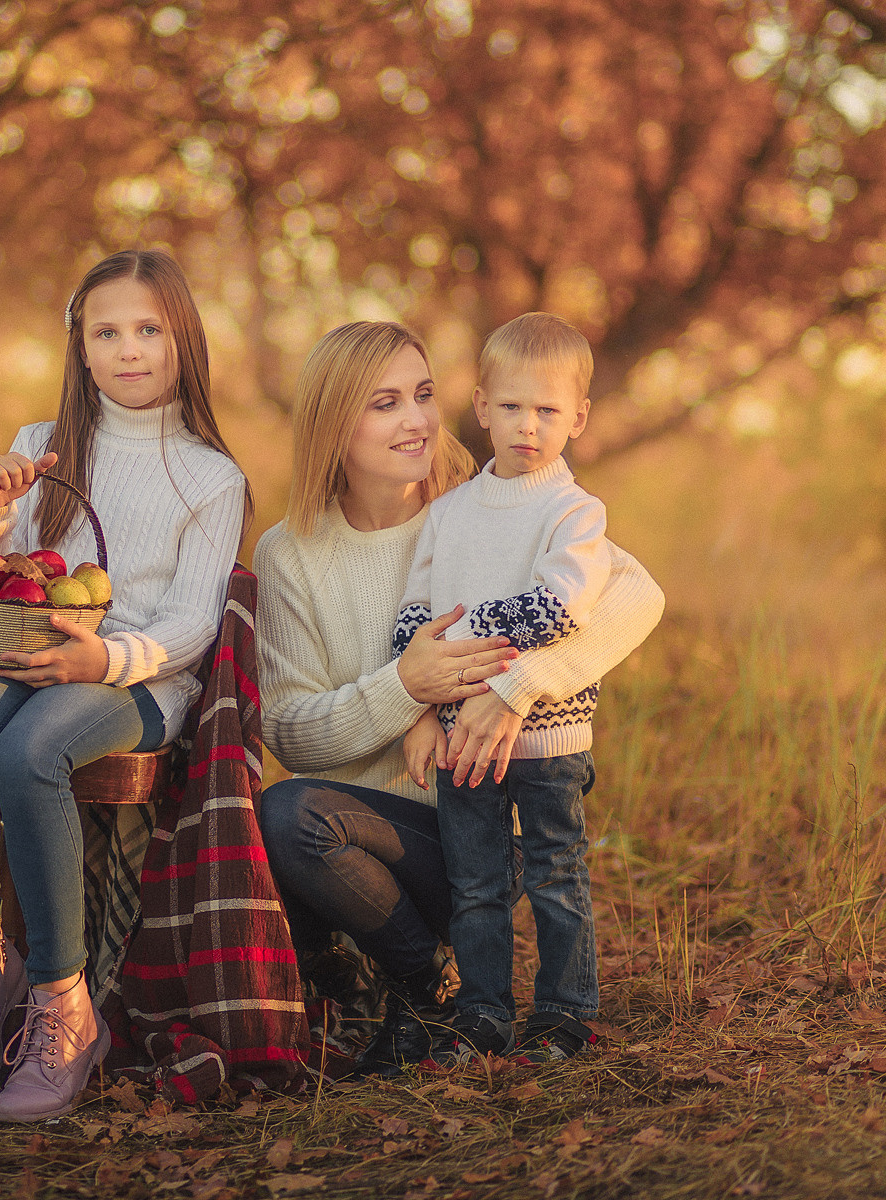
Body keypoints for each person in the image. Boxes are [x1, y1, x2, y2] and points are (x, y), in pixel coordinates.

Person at [254, 320, 664, 1077]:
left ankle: (485, 1000)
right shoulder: (290, 554)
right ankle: (425, 988)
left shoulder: (484, 502)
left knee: (529, 866)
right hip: (367, 841)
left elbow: (635, 594)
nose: (416, 420)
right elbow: (288, 731)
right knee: (285, 814)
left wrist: (514, 690)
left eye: (423, 394)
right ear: (332, 422)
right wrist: (406, 689)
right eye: (384, 403)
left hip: (488, 810)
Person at [0, 249, 250, 1122]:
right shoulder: (43, 446)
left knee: (32, 749)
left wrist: (103, 660)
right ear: (81, 346)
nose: (128, 349)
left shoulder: (211, 476)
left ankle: (64, 1004)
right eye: (107, 332)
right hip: (27, 648)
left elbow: (192, 622)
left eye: (148, 330)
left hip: (138, 679)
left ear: (183, 340)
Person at [395, 312, 644, 1065]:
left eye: (547, 410)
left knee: (555, 876)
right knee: (475, 884)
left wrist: (465, 641)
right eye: (510, 406)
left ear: (579, 417)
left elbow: (560, 607)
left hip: (550, 738)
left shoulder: (575, 512)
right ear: (481, 407)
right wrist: (422, 693)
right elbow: (414, 615)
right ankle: (483, 1012)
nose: (527, 425)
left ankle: (565, 1012)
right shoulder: (447, 514)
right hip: (461, 738)